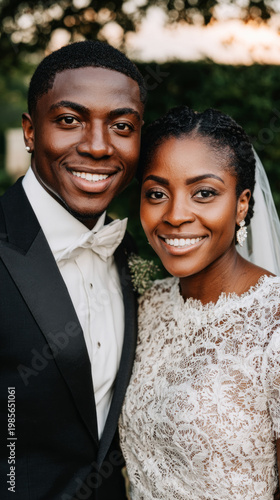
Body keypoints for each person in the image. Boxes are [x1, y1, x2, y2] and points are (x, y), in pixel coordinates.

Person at [0, 40, 146, 500]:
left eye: (121, 126)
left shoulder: (142, 258)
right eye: (69, 120)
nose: (99, 147)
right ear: (29, 130)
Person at [119, 106, 280, 499]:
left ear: (242, 204)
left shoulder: (273, 322)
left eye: (204, 193)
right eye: (157, 193)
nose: (175, 215)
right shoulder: (145, 305)